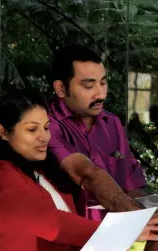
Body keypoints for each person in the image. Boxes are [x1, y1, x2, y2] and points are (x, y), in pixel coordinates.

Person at [0, 90, 158, 251]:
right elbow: (51, 224)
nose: (43, 137)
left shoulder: (41, 172)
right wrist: (121, 232)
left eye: (46, 128)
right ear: (3, 132)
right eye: (32, 130)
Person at [47, 44, 149, 220]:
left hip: (117, 239)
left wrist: (151, 211)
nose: (100, 94)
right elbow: (87, 174)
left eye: (103, 82)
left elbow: (132, 183)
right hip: (69, 242)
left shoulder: (112, 124)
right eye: (89, 86)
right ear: (61, 89)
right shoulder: (45, 125)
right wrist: (135, 213)